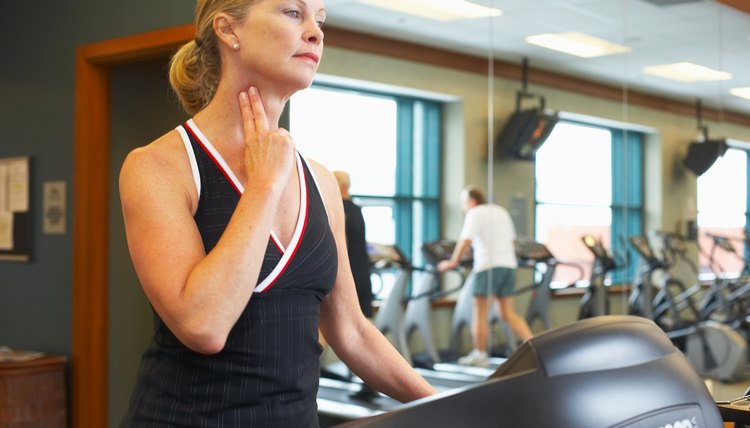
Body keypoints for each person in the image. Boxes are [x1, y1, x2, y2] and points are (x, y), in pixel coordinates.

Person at [117, 1, 436, 426]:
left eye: (320, 21)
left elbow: (353, 332)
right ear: (229, 31)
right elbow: (203, 326)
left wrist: (449, 406)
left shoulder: (320, 183)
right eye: (293, 13)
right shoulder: (158, 166)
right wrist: (264, 186)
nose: (315, 33)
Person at [437, 185, 533, 368]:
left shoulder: (475, 213)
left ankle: (480, 353)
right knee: (507, 313)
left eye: (464, 203)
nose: (464, 208)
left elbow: (466, 239)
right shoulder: (501, 211)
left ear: (471, 201)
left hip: (488, 266)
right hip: (508, 265)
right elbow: (511, 240)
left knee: (480, 313)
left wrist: (452, 262)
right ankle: (534, 346)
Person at [333, 171, 374, 318]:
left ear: (342, 186)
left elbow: (341, 246)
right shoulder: (356, 209)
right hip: (361, 273)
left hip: (350, 274)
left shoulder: (339, 210)